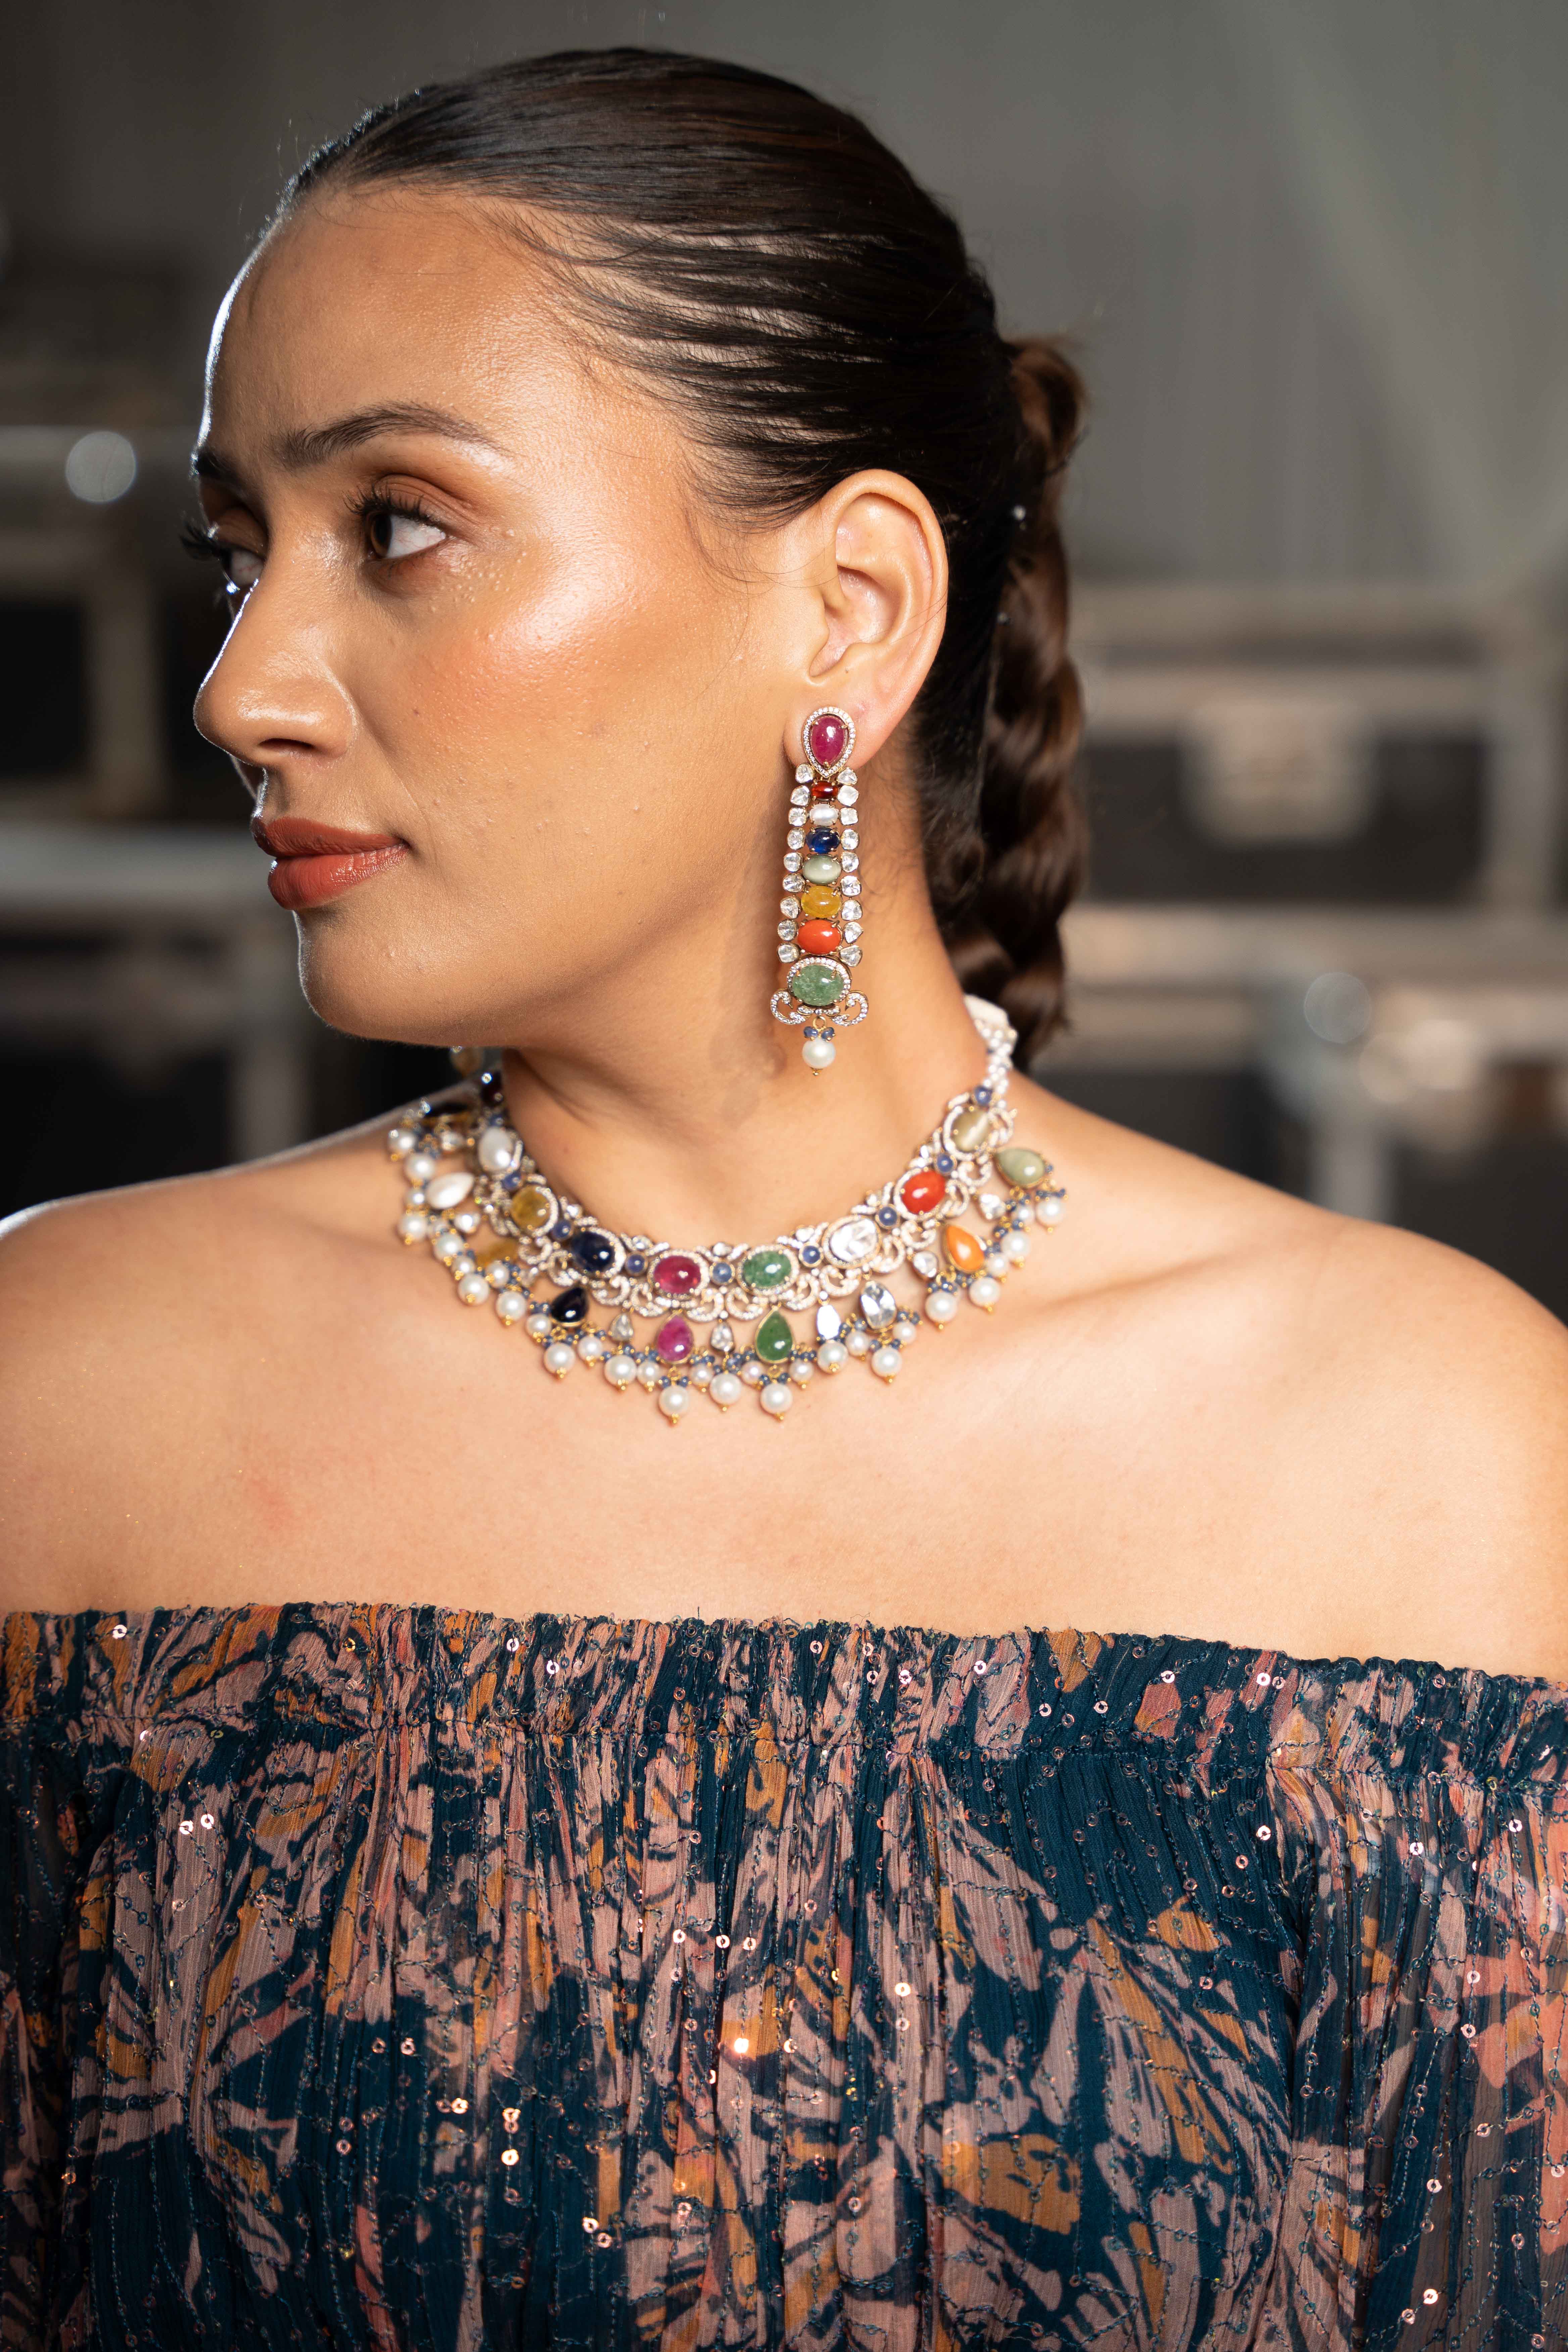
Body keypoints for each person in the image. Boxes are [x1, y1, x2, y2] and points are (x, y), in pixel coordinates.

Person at [2, 47, 1565, 2352]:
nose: (244, 683)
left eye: (399, 526)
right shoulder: (68, 1390)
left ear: (848, 605)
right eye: (242, 551)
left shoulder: (1437, 1451)